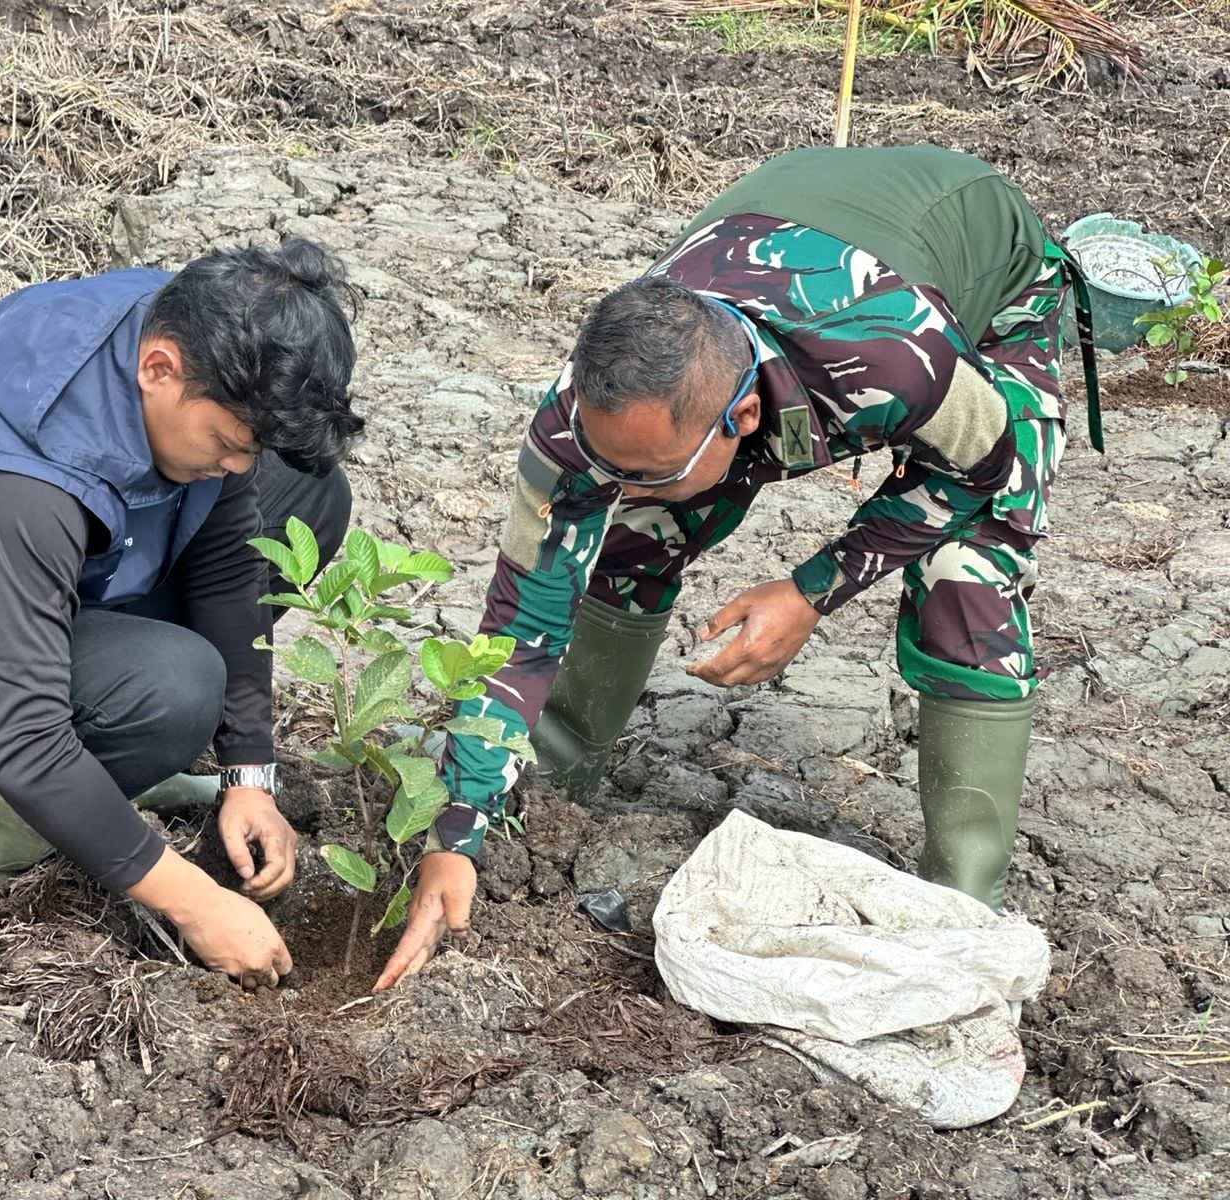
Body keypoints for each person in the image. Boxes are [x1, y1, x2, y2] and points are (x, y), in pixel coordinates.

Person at [376, 144, 1102, 989]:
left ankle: (962, 904)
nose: (612, 482)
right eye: (606, 461)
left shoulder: (892, 360)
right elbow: (518, 626)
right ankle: (551, 781)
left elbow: (984, 469)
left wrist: (812, 590)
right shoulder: (581, 418)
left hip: (977, 273)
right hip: (790, 229)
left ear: (745, 413)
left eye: (646, 467)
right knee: (633, 530)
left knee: (968, 572)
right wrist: (455, 832)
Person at [0, 238, 362, 986]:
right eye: (224, 441)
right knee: (173, 687)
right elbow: (23, 737)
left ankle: (108, 761)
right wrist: (194, 903)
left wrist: (248, 770)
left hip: (30, 592)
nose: (236, 462)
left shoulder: (194, 323)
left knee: (303, 497)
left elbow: (227, 559)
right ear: (159, 368)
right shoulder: (28, 474)